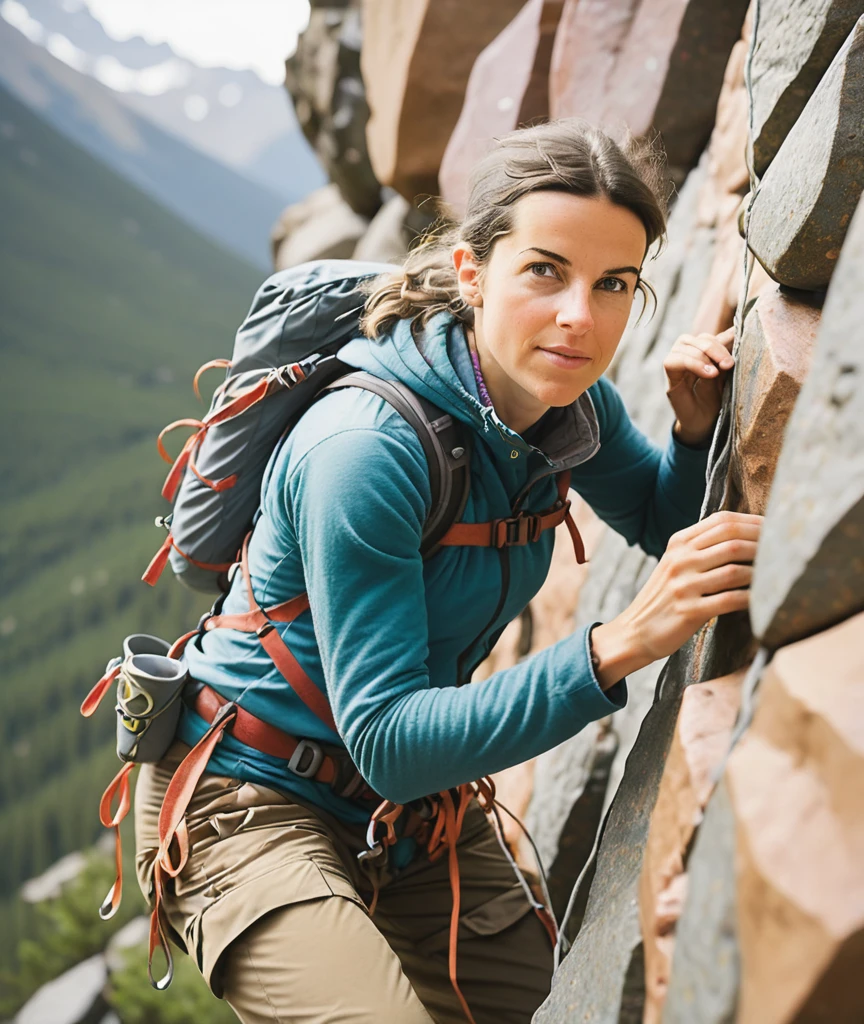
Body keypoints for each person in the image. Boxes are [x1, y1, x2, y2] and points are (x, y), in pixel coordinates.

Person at [135, 120, 761, 1024]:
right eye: (545, 270)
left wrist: (696, 429)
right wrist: (616, 646)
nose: (581, 317)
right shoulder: (365, 451)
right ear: (473, 273)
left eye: (614, 283)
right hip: (246, 799)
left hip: (405, 816)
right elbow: (390, 737)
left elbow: (672, 531)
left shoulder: (562, 400)